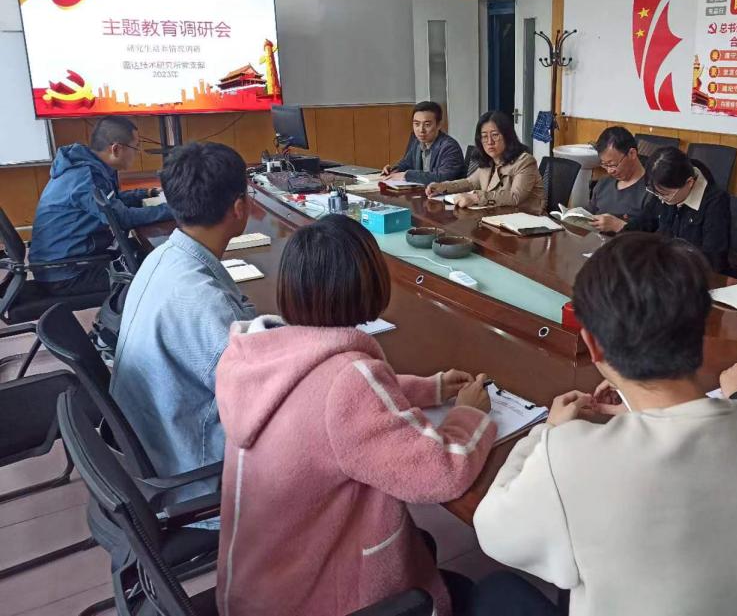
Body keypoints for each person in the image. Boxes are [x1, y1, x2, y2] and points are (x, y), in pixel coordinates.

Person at [472, 233, 737, 616]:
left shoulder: (571, 455)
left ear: (594, 345)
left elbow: (494, 533)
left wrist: (548, 433)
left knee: (496, 592)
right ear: (702, 332)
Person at [215, 214, 496, 616]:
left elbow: (323, 398)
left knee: (426, 549)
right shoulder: (349, 382)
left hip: (257, 590)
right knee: (479, 593)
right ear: (367, 283)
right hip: (316, 599)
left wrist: (431, 388)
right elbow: (443, 473)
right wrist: (468, 414)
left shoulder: (259, 354)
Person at [111, 142, 256, 510]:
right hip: (195, 477)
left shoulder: (162, 255)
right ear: (239, 208)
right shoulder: (206, 304)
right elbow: (259, 405)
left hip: (155, 451)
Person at [29, 115, 172, 296]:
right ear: (116, 149)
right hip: (67, 274)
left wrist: (146, 193)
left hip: (70, 261)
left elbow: (110, 200)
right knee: (155, 275)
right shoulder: (85, 177)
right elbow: (121, 218)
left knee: (147, 253)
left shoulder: (86, 167)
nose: (137, 153)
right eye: (135, 147)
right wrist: (177, 209)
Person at [624, 146, 731, 272]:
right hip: (663, 269)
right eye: (656, 193)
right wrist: (619, 241)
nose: (661, 199)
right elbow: (642, 222)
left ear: (689, 183)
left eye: (665, 194)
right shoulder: (662, 191)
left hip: (693, 274)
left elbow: (714, 259)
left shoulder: (715, 202)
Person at [425, 111, 544, 214]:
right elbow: (470, 183)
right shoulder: (489, 160)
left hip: (528, 221)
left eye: (495, 135)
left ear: (507, 136)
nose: (489, 142)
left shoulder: (525, 161)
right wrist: (443, 187)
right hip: (497, 217)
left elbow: (515, 197)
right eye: (484, 136)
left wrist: (476, 197)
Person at [584, 126, 653, 234]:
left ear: (632, 154)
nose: (610, 171)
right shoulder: (603, 184)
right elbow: (589, 214)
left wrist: (618, 225)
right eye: (605, 165)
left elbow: (654, 237)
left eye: (613, 165)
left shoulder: (651, 191)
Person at [381, 100, 465, 184]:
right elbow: (407, 162)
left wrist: (407, 175)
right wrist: (394, 170)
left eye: (427, 125)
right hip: (421, 190)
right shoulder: (416, 140)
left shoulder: (450, 147)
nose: (421, 130)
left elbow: (442, 177)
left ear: (439, 125)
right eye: (417, 124)